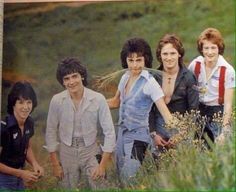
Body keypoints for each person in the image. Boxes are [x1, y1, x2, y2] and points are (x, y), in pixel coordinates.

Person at [107, 38, 175, 183]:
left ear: (146, 60)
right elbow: (116, 101)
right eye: (131, 61)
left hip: (139, 138)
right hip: (122, 136)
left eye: (139, 60)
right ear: (125, 60)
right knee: (120, 179)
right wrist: (93, 102)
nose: (135, 65)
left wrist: (179, 133)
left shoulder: (150, 83)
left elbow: (165, 113)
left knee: (128, 177)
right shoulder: (125, 77)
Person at [45, 57, 116, 189]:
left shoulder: (98, 99)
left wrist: (102, 165)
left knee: (100, 186)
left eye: (74, 76)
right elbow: (50, 131)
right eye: (66, 79)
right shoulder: (56, 101)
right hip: (67, 150)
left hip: (90, 149)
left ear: (82, 76)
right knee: (67, 188)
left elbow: (110, 132)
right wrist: (55, 165)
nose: (71, 82)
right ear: (62, 82)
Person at [149, 34, 199, 149]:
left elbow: (194, 110)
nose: (169, 58)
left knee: (182, 161)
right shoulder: (154, 77)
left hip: (182, 125)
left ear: (179, 54)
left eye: (173, 53)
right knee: (157, 162)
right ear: (160, 56)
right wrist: (153, 134)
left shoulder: (189, 77)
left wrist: (181, 134)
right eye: (165, 54)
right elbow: (149, 109)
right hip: (158, 126)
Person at [188, 28, 235, 144]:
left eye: (213, 48)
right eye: (206, 48)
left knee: (220, 146)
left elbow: (228, 104)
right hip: (198, 110)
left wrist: (225, 130)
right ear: (201, 49)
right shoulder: (195, 65)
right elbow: (188, 88)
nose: (210, 52)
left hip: (217, 111)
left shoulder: (228, 70)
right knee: (198, 147)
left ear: (219, 48)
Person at [0, 81, 44, 190]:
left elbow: (27, 147)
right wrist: (20, 173)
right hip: (3, 180)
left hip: (19, 179)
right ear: (13, 104)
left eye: (29, 102)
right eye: (20, 102)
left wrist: (35, 164)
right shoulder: (3, 127)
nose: (25, 107)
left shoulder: (29, 123)